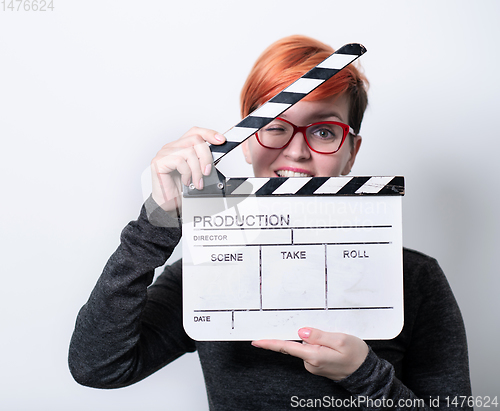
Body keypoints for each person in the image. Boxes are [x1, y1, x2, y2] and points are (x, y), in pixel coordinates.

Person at [69, 35, 472, 410]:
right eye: (274, 127)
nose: (296, 152)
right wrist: (157, 219)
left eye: (325, 131)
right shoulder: (206, 273)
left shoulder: (416, 279)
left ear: (351, 152)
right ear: (245, 143)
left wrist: (364, 376)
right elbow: (99, 367)